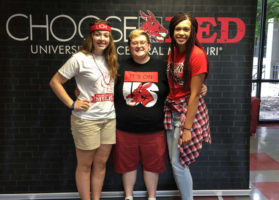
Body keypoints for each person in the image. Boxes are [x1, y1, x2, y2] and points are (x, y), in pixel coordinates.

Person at [49, 19, 118, 200]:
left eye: (106, 35)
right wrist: (72, 103)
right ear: (91, 37)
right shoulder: (80, 58)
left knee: (101, 164)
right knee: (85, 165)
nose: (102, 38)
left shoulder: (111, 58)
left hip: (109, 119)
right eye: (98, 34)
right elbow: (55, 82)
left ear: (110, 38)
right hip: (86, 119)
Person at [113, 29, 168, 200]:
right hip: (125, 129)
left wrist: (200, 88)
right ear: (129, 46)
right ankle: (128, 196)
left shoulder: (161, 66)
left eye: (142, 42)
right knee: (127, 165)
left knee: (153, 166)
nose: (139, 46)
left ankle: (152, 197)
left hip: (154, 129)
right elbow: (104, 88)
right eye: (134, 43)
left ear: (149, 45)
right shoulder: (119, 65)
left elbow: (177, 89)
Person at [164, 12, 211, 200]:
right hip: (173, 111)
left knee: (178, 163)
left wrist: (187, 128)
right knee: (177, 162)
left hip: (188, 113)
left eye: (186, 29)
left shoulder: (197, 55)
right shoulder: (173, 52)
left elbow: (194, 96)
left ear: (193, 32)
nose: (181, 33)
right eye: (178, 28)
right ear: (172, 31)